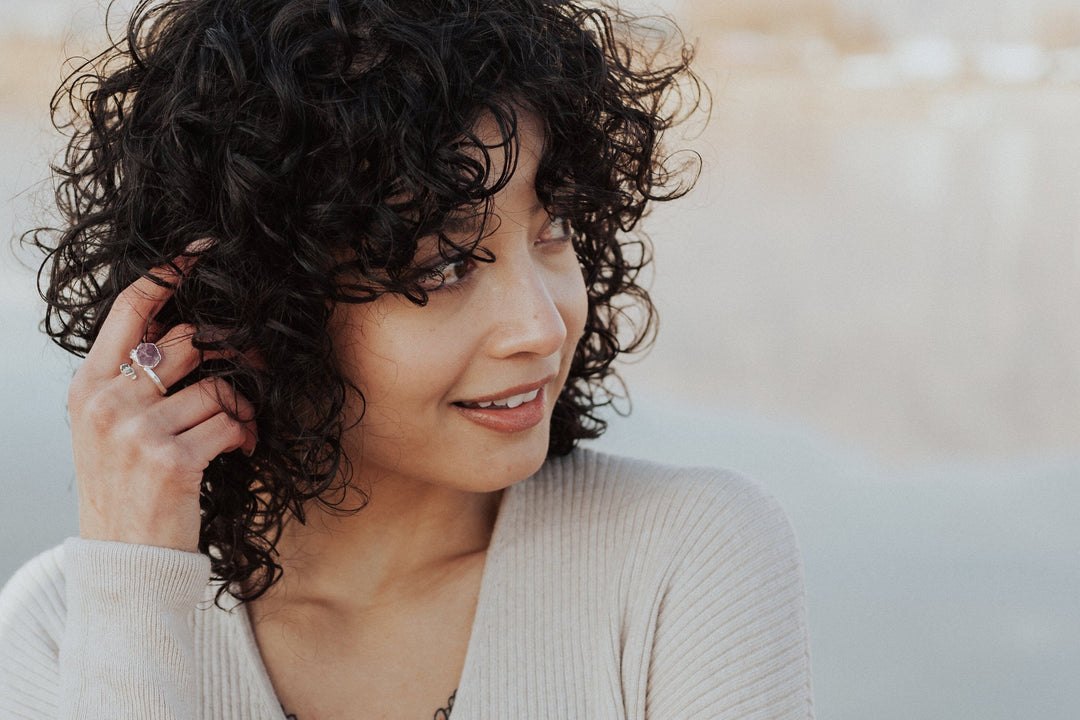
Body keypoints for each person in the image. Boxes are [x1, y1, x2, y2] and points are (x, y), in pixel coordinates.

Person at [0, 0, 812, 717]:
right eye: (443, 267)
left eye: (553, 228)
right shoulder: (61, 628)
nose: (540, 325)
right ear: (257, 300)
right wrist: (136, 581)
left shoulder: (686, 560)